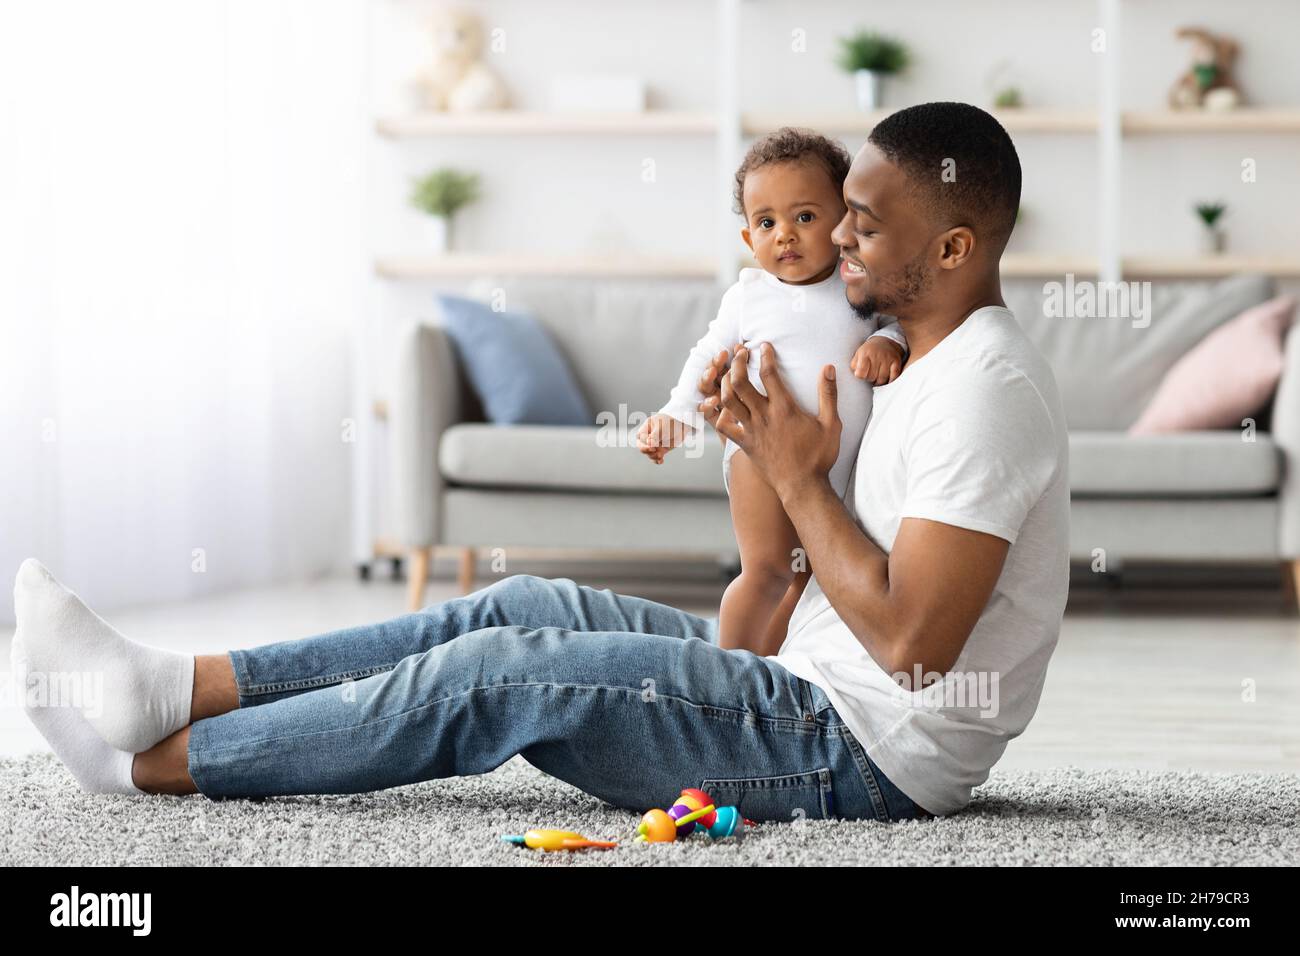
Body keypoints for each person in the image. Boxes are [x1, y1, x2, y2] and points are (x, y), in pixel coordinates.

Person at [10, 102, 1068, 821]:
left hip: (859, 752)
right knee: (511, 602)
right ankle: (169, 687)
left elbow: (920, 649)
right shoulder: (908, 358)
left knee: (501, 674)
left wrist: (793, 474)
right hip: (799, 675)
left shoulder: (985, 391)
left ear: (953, 249)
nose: (835, 239)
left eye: (864, 226)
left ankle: (149, 765)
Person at [636, 126, 907, 655]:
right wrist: (677, 412)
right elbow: (707, 357)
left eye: (805, 217)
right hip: (758, 456)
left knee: (808, 582)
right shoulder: (751, 294)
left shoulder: (861, 284)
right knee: (766, 572)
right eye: (767, 222)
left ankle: (768, 670)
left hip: (836, 471)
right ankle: (721, 675)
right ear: (748, 240)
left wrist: (888, 341)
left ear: (843, 222)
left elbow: (902, 323)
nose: (785, 234)